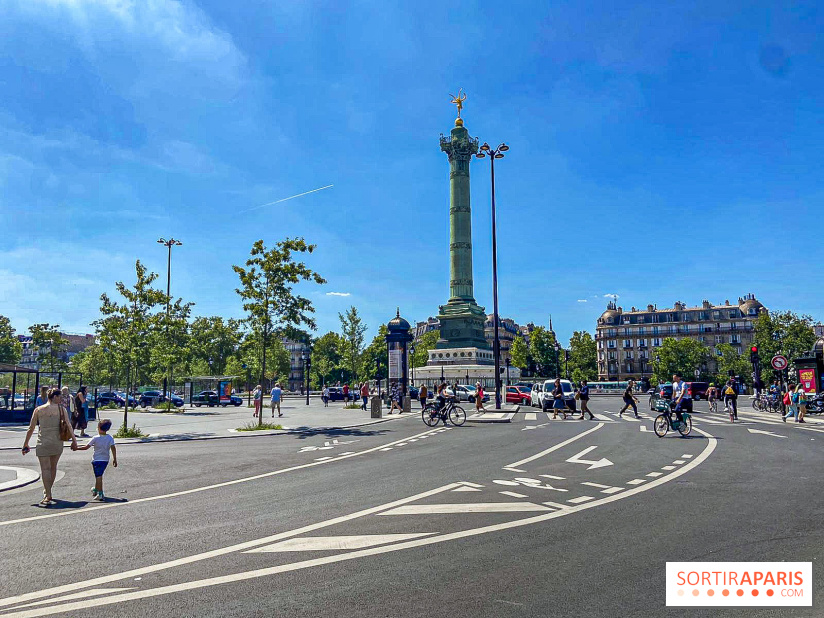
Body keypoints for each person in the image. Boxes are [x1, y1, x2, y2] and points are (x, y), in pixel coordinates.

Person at [21, 388, 77, 506]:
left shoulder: (39, 410)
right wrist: (74, 440)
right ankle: (48, 492)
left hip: (43, 442)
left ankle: (48, 493)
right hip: (57, 442)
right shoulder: (62, 410)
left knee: (45, 469)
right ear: (54, 397)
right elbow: (69, 425)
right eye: (59, 396)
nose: (61, 398)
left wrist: (26, 443)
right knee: (53, 467)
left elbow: (31, 428)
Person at [73, 418, 117, 501]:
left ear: (99, 428)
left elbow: (86, 447)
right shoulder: (110, 438)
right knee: (98, 475)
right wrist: (115, 459)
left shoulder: (95, 438)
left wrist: (76, 448)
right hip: (105, 460)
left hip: (96, 460)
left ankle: (100, 493)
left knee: (98, 477)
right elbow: (113, 448)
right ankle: (96, 489)